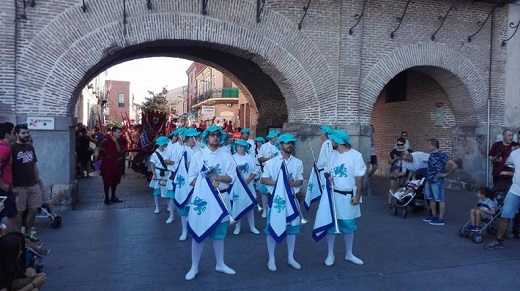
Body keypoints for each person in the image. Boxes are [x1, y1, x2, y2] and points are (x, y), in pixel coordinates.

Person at [185, 125, 236, 280]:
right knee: (199, 233)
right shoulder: (198, 155)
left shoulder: (226, 155)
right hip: (204, 201)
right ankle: (194, 267)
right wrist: (206, 185)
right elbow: (191, 179)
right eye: (212, 135)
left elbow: (232, 177)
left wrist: (219, 178)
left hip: (222, 199)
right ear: (207, 137)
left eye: (218, 135)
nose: (215, 138)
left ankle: (220, 264)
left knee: (219, 234)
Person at [319, 130, 366, 267]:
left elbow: (359, 177)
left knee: (348, 226)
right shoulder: (332, 155)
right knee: (331, 225)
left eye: (332, 140)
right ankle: (330, 254)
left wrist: (358, 195)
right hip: (333, 195)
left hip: (348, 196)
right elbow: (327, 172)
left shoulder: (356, 156)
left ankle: (349, 254)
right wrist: (329, 178)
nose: (331, 142)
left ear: (338, 141)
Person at [261, 133, 304, 272]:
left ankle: (291, 257)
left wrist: (293, 183)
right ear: (280, 145)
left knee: (292, 231)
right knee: (272, 229)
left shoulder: (298, 162)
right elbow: (263, 179)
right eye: (286, 143)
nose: (289, 145)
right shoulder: (271, 162)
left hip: (292, 201)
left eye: (291, 142)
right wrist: (279, 183)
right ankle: (271, 259)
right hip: (277, 201)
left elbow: (300, 180)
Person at [10, 124, 43, 241]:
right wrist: (11, 186)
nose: (27, 135)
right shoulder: (12, 148)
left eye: (27, 132)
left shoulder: (30, 147)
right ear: (16, 134)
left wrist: (38, 181)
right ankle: (18, 236)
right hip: (19, 186)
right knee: (19, 212)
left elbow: (34, 165)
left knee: (34, 209)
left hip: (33, 184)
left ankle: (28, 234)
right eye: (23, 133)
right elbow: (8, 168)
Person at [485, 144, 520, 249]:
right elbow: (514, 169)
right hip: (515, 191)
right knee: (505, 215)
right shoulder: (514, 154)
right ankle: (498, 241)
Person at [422, 138, 458, 226]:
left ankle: (441, 218)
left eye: (429, 145)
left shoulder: (442, 155)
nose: (428, 146)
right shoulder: (431, 155)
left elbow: (454, 165)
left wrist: (445, 174)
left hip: (437, 181)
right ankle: (434, 215)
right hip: (429, 180)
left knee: (440, 199)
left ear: (434, 146)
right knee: (431, 198)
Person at [231, 139, 260, 235]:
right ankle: (237, 227)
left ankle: (252, 227)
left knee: (250, 206)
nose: (240, 148)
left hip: (248, 184)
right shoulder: (232, 158)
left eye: (242, 146)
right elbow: (229, 172)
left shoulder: (250, 157)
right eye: (238, 146)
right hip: (237, 186)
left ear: (245, 147)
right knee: (237, 205)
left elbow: (255, 171)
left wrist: (248, 180)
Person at [149, 136, 175, 223]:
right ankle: (157, 207)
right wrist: (153, 174)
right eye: (165, 143)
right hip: (158, 173)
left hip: (166, 173)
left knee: (166, 189)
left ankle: (168, 206)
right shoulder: (154, 154)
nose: (167, 144)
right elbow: (152, 164)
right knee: (157, 191)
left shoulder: (167, 151)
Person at [0, 122, 19, 234]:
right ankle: (15, 245)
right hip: (3, 190)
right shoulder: (4, 149)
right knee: (15, 220)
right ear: (7, 134)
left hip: (5, 188)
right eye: (13, 132)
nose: (16, 135)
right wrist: (3, 185)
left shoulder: (5, 147)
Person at [98, 126, 124, 204]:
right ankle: (106, 198)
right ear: (113, 133)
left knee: (115, 181)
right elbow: (102, 153)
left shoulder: (120, 140)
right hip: (108, 163)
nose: (120, 134)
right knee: (107, 181)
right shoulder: (107, 141)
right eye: (118, 132)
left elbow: (121, 150)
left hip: (116, 163)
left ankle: (113, 197)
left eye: (120, 132)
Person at [257, 129, 280, 218]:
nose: (277, 138)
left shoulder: (278, 147)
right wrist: (270, 160)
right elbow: (260, 158)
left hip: (276, 171)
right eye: (275, 136)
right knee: (264, 191)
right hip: (266, 170)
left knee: (275, 190)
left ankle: (273, 209)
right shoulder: (264, 146)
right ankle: (265, 210)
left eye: (277, 136)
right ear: (271, 138)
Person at [386, 137, 409, 210]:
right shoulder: (394, 151)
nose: (399, 146)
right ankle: (389, 203)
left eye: (401, 144)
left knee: (401, 186)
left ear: (404, 144)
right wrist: (395, 159)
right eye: (398, 144)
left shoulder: (408, 152)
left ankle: (400, 201)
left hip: (404, 170)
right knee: (392, 186)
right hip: (394, 169)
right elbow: (389, 161)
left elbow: (410, 161)